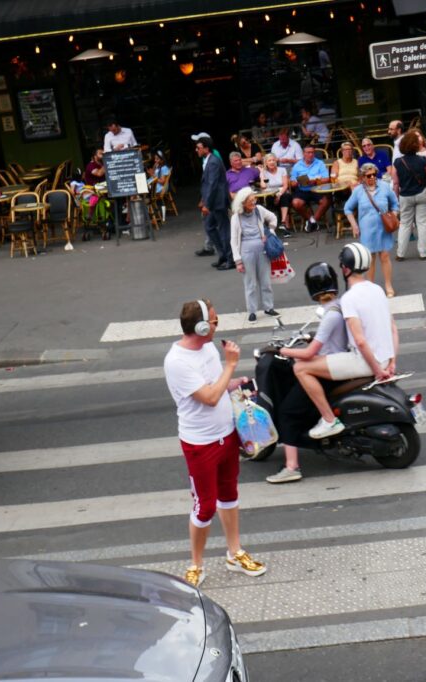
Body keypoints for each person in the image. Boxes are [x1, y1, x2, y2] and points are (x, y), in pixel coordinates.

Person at [163, 299, 267, 587]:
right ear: (200, 326)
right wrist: (231, 365)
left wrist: (235, 384)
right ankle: (196, 563)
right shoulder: (177, 362)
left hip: (226, 433)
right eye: (214, 321)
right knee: (205, 506)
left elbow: (216, 386)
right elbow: (208, 398)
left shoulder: (208, 348)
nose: (217, 325)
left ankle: (235, 552)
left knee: (229, 493)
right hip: (200, 442)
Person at [294, 243, 399, 439]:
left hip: (365, 362)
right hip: (385, 360)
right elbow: (393, 328)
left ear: (345, 268)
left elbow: (359, 341)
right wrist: (392, 362)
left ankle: (328, 420)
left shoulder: (349, 298)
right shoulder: (378, 290)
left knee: (300, 368)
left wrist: (377, 371)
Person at [263, 263, 350, 484]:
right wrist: (312, 337)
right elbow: (326, 340)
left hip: (327, 370)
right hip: (334, 363)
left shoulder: (331, 314)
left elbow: (311, 353)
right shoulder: (338, 306)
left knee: (287, 412)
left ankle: (292, 466)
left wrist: (280, 350)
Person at [345, 162, 400, 296]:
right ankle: (371, 287)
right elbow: (347, 208)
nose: (372, 177)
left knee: (385, 256)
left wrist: (393, 216)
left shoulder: (385, 187)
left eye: (374, 174)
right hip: (367, 229)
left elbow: (395, 204)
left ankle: (388, 285)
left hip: (383, 227)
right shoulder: (358, 190)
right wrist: (354, 225)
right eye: (368, 175)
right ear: (362, 177)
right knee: (370, 258)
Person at [230, 187, 279, 322]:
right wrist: (238, 261)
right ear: (243, 202)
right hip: (246, 252)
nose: (253, 203)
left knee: (266, 281)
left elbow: (273, 217)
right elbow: (233, 240)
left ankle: (268, 307)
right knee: (250, 283)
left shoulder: (259, 210)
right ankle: (252, 311)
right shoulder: (236, 217)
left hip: (262, 250)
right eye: (250, 201)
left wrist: (270, 231)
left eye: (254, 199)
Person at [392, 130, 426, 261]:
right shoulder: (423, 160)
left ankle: (400, 253)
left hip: (405, 196)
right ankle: (423, 252)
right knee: (422, 223)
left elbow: (395, 183)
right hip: (422, 193)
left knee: (405, 224)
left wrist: (396, 199)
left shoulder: (397, 162)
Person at [195, 134, 234, 270]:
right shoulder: (209, 160)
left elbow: (212, 184)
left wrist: (207, 204)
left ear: (206, 148)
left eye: (199, 148)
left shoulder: (213, 162)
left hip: (217, 202)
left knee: (223, 230)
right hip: (214, 201)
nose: (197, 150)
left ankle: (231, 259)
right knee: (210, 226)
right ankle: (223, 254)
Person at [290, 144, 332, 232]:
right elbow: (292, 183)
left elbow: (326, 179)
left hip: (317, 189)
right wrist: (299, 181)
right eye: (308, 152)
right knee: (296, 203)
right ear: (304, 154)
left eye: (312, 152)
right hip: (302, 190)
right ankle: (311, 219)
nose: (310, 154)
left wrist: (316, 181)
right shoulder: (297, 166)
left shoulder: (319, 163)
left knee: (326, 201)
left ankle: (312, 221)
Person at [260, 153, 292, 230]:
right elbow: (263, 186)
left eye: (273, 160)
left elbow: (285, 185)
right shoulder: (264, 172)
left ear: (276, 161)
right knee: (270, 200)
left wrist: (279, 194)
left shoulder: (282, 170)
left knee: (285, 197)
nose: (272, 162)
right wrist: (261, 173)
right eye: (269, 160)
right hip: (270, 194)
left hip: (282, 192)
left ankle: (283, 222)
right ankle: (281, 224)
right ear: (266, 163)